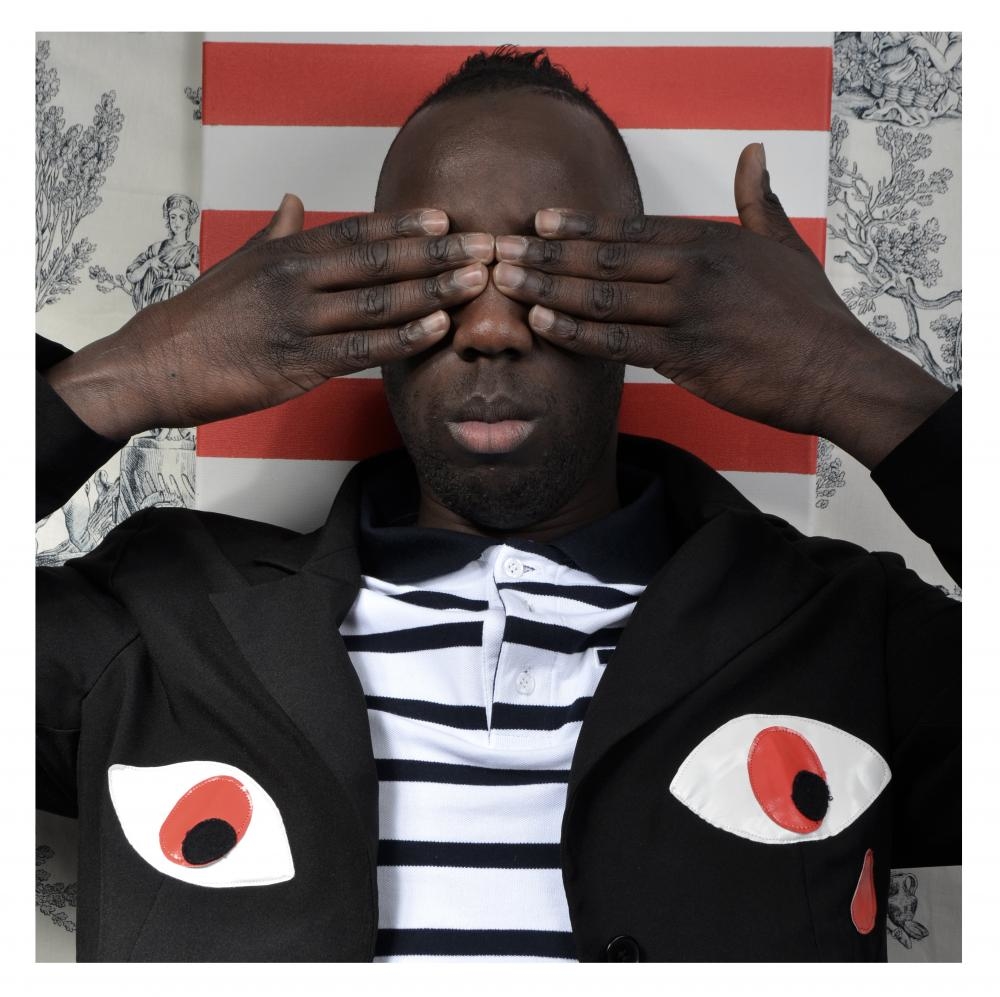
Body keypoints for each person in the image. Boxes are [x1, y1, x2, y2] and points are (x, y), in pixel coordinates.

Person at [36, 49, 959, 962]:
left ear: (639, 295)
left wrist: (852, 380)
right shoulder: (157, 627)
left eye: (552, 268)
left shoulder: (842, 635)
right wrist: (134, 374)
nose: (487, 328)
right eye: (434, 271)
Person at [124, 194, 201, 311]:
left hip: (184, 307)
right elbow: (132, 276)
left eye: (182, 217)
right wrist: (149, 263)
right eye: (173, 217)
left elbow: (208, 284)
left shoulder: (195, 251)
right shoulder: (157, 248)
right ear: (168, 218)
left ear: (189, 220)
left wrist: (195, 273)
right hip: (157, 306)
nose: (176, 222)